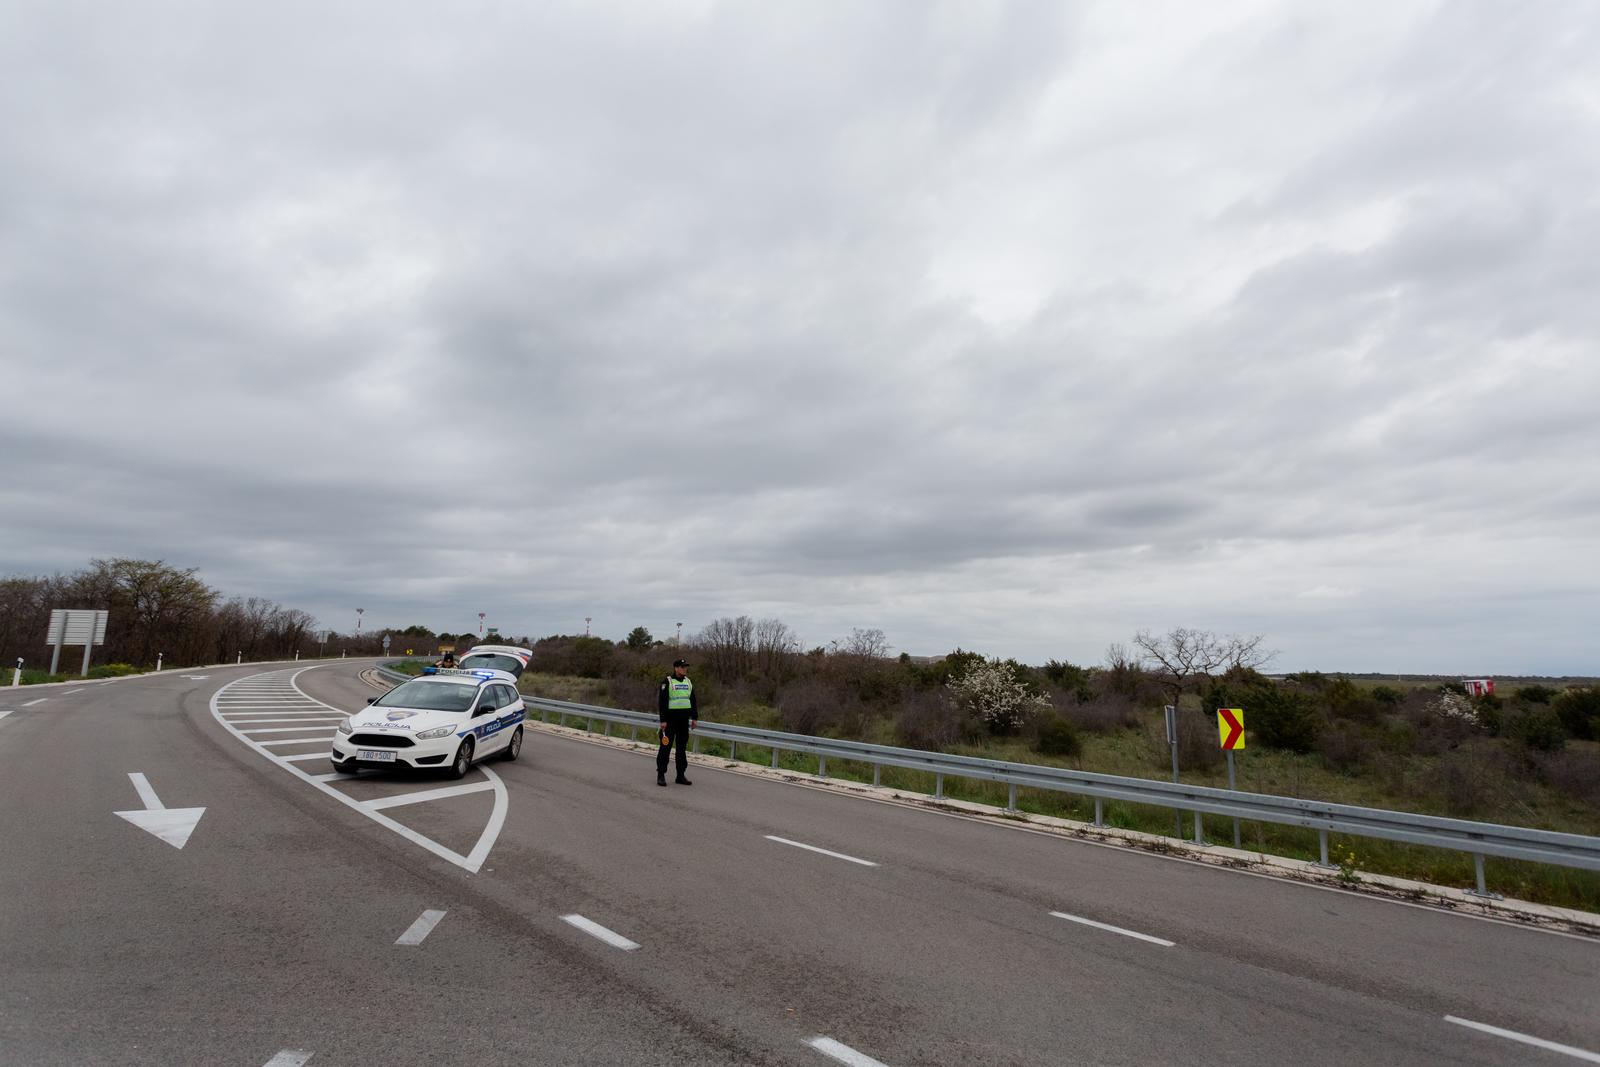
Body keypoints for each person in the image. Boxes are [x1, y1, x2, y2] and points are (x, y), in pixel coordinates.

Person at [656, 658, 697, 786]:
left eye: (686, 667)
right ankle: (661, 775)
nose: (685, 669)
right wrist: (663, 720)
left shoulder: (688, 682)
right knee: (665, 748)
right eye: (682, 667)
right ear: (676, 668)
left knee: (681, 749)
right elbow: (662, 702)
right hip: (670, 721)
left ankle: (680, 775)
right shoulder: (667, 682)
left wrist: (694, 718)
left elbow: (693, 700)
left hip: (683, 721)